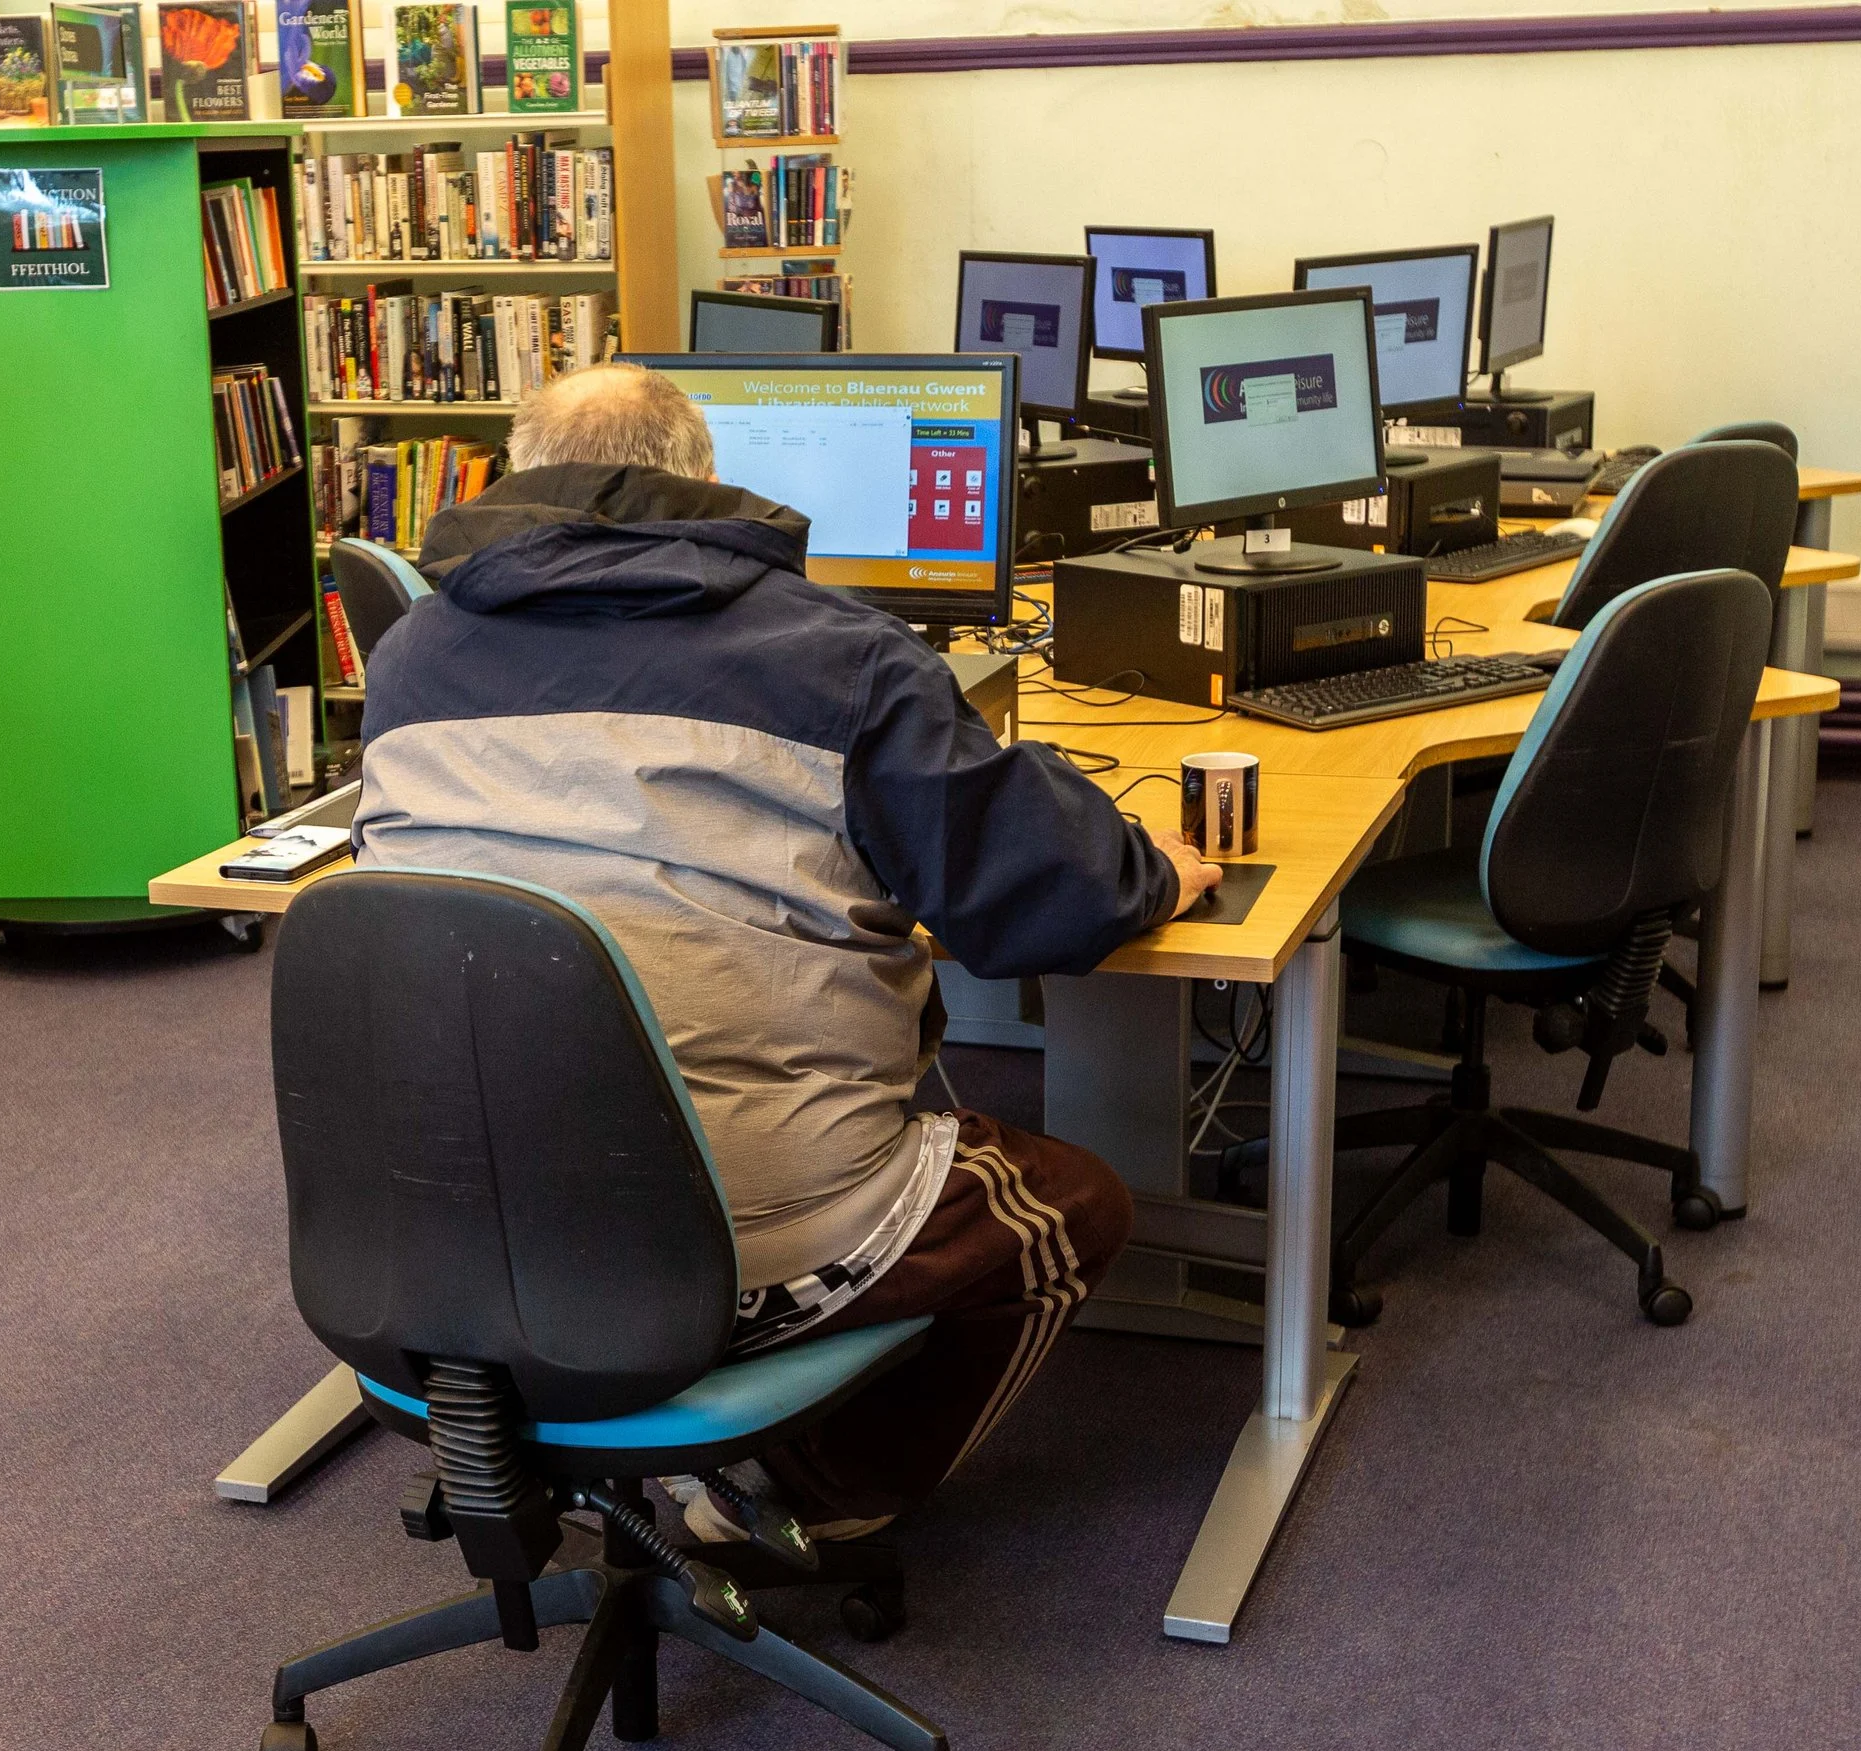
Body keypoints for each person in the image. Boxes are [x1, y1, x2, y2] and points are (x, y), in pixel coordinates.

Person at [352, 363, 1220, 1539]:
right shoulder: (845, 659)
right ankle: (811, 1499)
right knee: (1067, 1206)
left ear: (516, 476)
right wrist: (1156, 865)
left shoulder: (407, 657)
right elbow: (1040, 906)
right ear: (705, 477)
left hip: (440, 1225)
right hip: (734, 1238)